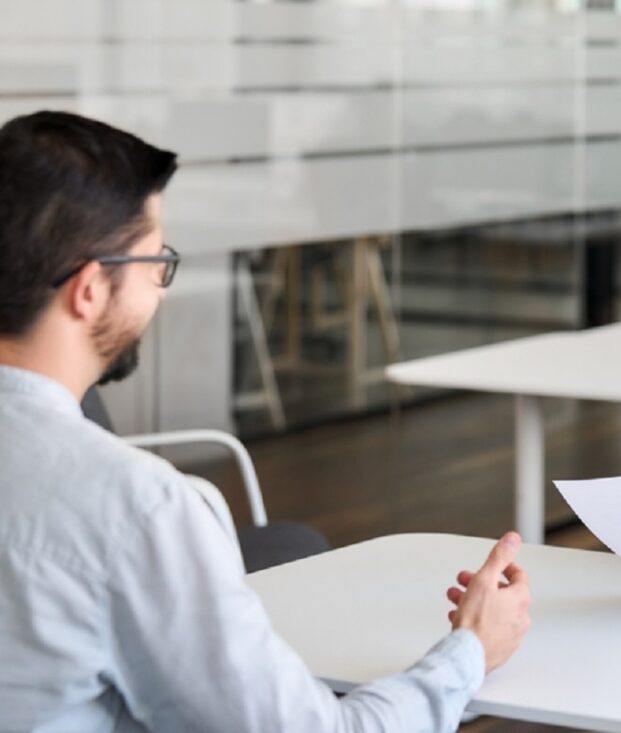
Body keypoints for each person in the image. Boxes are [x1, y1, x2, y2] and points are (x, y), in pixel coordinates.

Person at [0, 110, 530, 731]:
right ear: (89, 290)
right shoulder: (134, 509)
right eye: (154, 265)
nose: (160, 292)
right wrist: (470, 649)